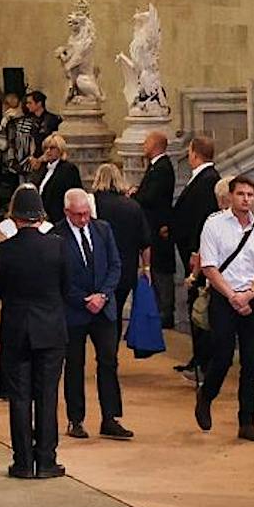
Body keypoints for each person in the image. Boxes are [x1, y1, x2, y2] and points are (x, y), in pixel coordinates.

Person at [0, 184, 70, 479]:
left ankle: (23, 462)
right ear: (40, 215)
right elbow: (66, 286)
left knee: (20, 397)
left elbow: (0, 289)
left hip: (16, 327)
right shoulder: (58, 246)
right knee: (47, 396)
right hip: (50, 327)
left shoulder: (3, 251)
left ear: (15, 216)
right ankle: (47, 460)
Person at [196, 174, 254, 442]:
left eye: (250, 195)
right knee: (223, 354)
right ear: (230, 196)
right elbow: (209, 265)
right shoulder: (214, 225)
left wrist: (251, 294)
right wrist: (232, 296)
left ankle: (247, 420)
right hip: (223, 296)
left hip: (251, 297)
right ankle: (206, 395)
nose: (246, 199)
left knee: (252, 360)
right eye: (241, 194)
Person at [61, 188, 131, 441]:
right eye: (78, 215)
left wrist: (103, 295)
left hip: (104, 309)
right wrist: (82, 299)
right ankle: (75, 419)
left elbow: (115, 265)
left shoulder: (103, 229)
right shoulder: (57, 235)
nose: (83, 220)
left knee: (109, 362)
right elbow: (61, 278)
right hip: (74, 311)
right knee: (74, 364)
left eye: (86, 214)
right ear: (67, 212)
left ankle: (111, 418)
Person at [169, 134, 219, 378]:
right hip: (192, 251)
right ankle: (198, 358)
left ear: (195, 153)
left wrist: (195, 252)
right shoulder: (202, 178)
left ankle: (203, 361)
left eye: (189, 151)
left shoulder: (208, 181)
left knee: (200, 307)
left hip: (198, 256)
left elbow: (203, 219)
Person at [90, 163, 148, 330]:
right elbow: (145, 242)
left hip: (99, 267)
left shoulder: (92, 204)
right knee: (117, 311)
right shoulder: (132, 206)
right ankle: (111, 351)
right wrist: (146, 267)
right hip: (126, 267)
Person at [133, 129, 179, 327]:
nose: (144, 145)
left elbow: (151, 197)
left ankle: (165, 312)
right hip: (151, 225)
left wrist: (135, 196)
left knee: (161, 270)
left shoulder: (162, 167)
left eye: (146, 142)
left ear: (156, 145)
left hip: (158, 226)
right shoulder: (155, 167)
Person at [33, 134, 79, 224]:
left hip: (59, 218)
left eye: (52, 148)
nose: (48, 151)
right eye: (45, 148)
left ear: (60, 150)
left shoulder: (68, 169)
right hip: (42, 219)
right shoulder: (43, 169)